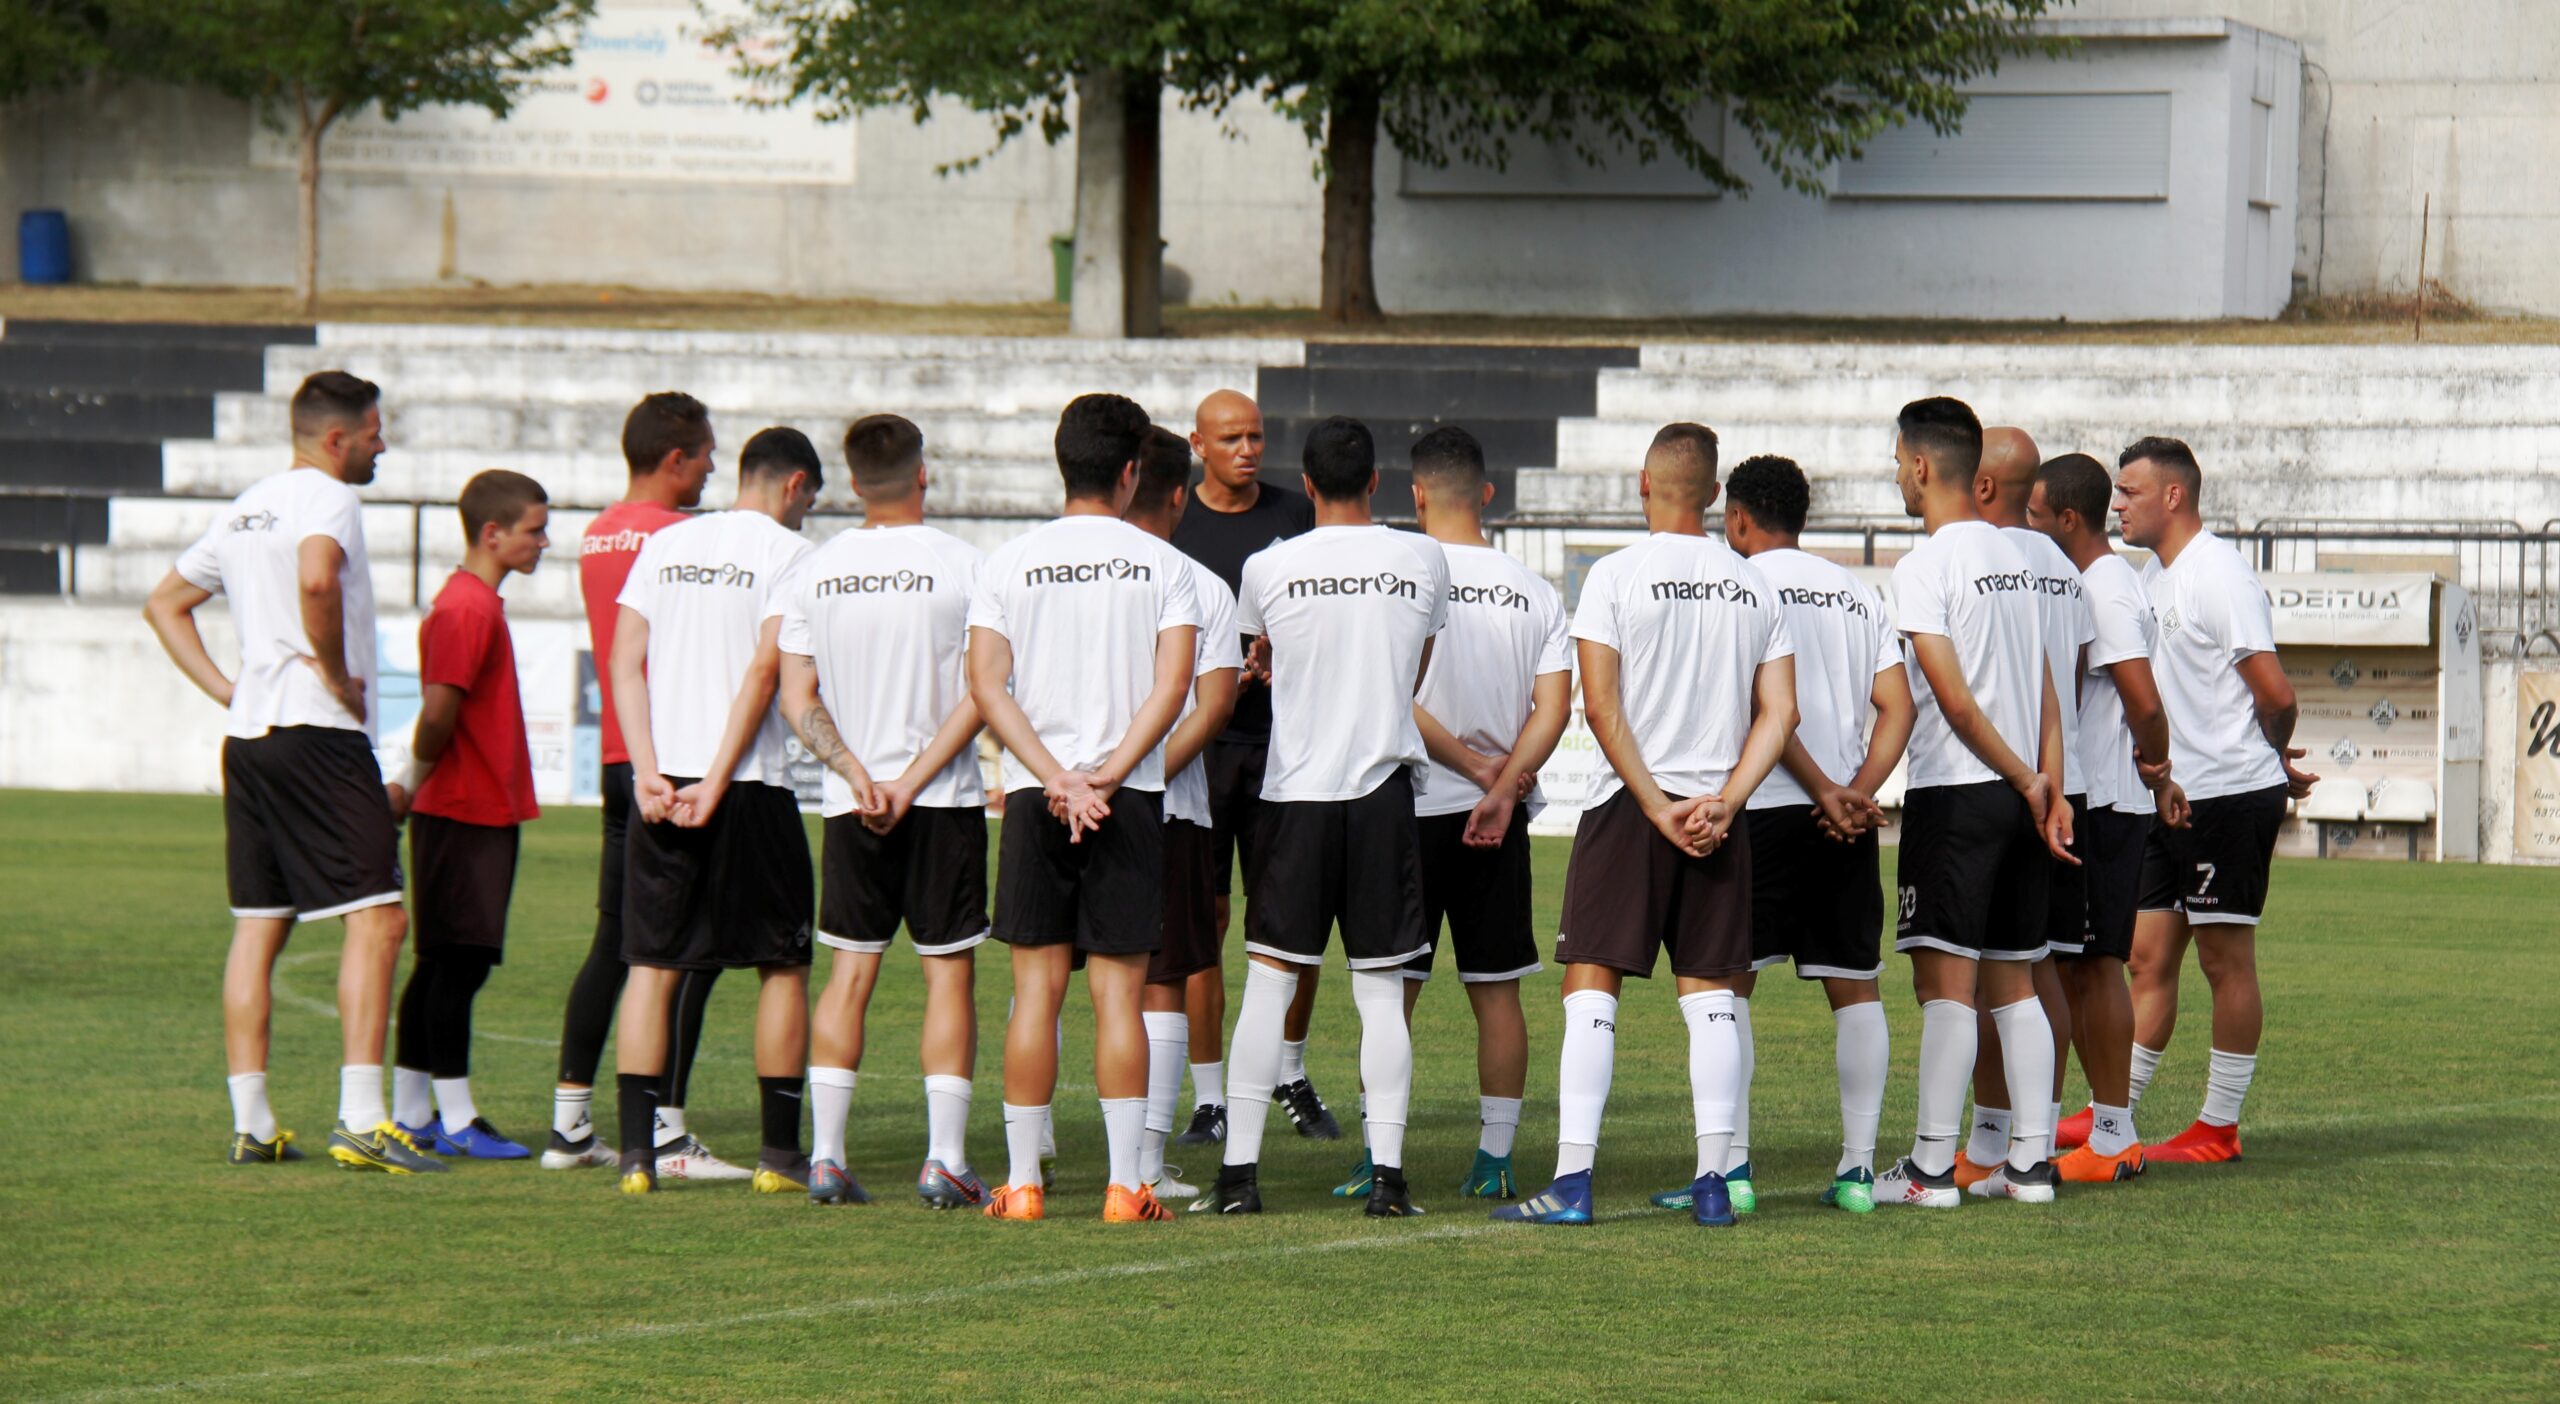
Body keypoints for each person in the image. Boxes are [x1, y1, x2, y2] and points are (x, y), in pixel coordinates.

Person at [1495, 423, 1795, 1229]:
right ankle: (1712, 1182)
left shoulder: (1615, 575)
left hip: (1634, 807)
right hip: (1716, 814)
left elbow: (1601, 706)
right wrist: (1727, 801)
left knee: (1591, 985)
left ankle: (1573, 1183)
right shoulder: (1754, 583)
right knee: (1712, 995)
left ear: (1642, 484)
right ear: (1715, 494)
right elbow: (1780, 714)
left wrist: (1657, 806)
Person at [143, 370, 439, 1172]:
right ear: (337, 439)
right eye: (374, 433)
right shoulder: (328, 498)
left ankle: (253, 1123)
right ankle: (362, 1118)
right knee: (379, 919)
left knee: (259, 923)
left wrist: (228, 691)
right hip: (316, 732)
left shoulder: (247, 506)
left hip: (251, 740)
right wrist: (337, 675)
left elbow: (164, 604)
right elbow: (316, 577)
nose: (383, 445)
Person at [1197, 415, 1450, 1219]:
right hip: (1381, 794)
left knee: (1269, 984)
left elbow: (1262, 655)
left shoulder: (1267, 566)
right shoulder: (1422, 557)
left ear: (1306, 485)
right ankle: (1389, 1181)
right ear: (1375, 481)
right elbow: (1414, 668)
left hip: (1296, 796)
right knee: (1380, 993)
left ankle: (1238, 1178)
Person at [967, 392, 1199, 1224]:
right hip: (1125, 799)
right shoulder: (1164, 565)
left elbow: (986, 683)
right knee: (1118, 998)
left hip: (1040, 795)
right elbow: (1173, 686)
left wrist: (1056, 778)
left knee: (1035, 994)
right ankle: (1125, 1185)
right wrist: (1106, 776)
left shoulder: (1008, 560)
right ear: (1132, 471)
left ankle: (1023, 1184)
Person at [1662, 452, 1912, 1217]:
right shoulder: (1855, 592)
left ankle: (1733, 1171)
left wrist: (1822, 788)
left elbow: (1766, 707)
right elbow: (1898, 706)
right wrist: (1854, 792)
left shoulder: (1738, 585)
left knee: (1727, 985)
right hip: (1844, 822)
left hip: (1761, 809)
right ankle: (1858, 1171)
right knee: (1855, 986)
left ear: (1737, 517)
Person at [1330, 425, 1567, 1205]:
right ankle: (1496, 1157)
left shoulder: (1400, 575)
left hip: (1410, 804)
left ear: (1416, 494)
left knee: (1392, 991)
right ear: (1487, 494)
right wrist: (1501, 786)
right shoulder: (1533, 589)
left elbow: (1391, 689)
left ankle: (1379, 1153)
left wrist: (1469, 768)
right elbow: (1554, 708)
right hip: (1497, 815)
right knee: (1496, 989)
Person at [775, 414, 991, 1208]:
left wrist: (858, 774)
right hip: (941, 799)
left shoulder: (814, 570)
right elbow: (984, 690)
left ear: (853, 480)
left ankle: (827, 1157)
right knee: (948, 976)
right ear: (922, 472)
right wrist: (910, 779)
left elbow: (797, 696)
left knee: (850, 973)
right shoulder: (965, 565)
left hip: (851, 801)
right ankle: (944, 1160)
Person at [608, 427, 823, 1196]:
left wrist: (646, 772)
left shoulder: (666, 545)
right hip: (749, 782)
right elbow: (765, 672)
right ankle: (779, 1156)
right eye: (809, 499)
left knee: (652, 966)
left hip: (665, 782)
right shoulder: (790, 554)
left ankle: (637, 1157)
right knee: (783, 966)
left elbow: (623, 660)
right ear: (795, 486)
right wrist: (720, 778)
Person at [1875, 397, 2075, 1209]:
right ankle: (2029, 1167)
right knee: (2014, 982)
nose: (1898, 475)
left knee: (1947, 989)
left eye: (1898, 462)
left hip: (1959, 795)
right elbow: (2048, 691)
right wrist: (2047, 787)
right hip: (2023, 796)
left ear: (1923, 466)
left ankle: (1929, 1172)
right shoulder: (2021, 559)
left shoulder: (1924, 565)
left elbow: (1954, 703)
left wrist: (2027, 780)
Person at [547, 392, 737, 1179]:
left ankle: (569, 1122)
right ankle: (664, 1127)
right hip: (673, 758)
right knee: (690, 949)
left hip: (619, 756)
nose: (713, 467)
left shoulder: (599, 532)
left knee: (615, 941)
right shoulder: (677, 538)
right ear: (675, 458)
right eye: (705, 454)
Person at [2115, 436, 2313, 1164]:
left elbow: (2276, 695)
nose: (2117, 505)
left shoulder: (2218, 573)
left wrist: (2269, 756)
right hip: (2173, 797)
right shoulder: (2153, 577)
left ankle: (2218, 1127)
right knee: (2145, 959)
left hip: (2227, 795)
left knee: (2224, 962)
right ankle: (2114, 1118)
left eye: (2130, 491)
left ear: (2174, 495)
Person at [1168, 388, 1336, 1146]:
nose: (1247, 450)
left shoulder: (1295, 515)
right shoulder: (1177, 523)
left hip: (1286, 747)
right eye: (1231, 438)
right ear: (1197, 444)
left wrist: (1279, 657)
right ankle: (1211, 1098)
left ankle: (1288, 1071)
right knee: (1203, 922)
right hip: (1202, 749)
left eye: (1257, 437)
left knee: (1292, 921)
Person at [2032, 452, 2191, 1183]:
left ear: (2068, 519)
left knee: (2096, 967)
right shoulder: (2084, 582)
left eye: (2035, 516)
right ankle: (2068, 1131)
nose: (2027, 527)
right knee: (2072, 967)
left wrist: (2157, 771)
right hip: (2093, 800)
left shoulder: (2106, 588)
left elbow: (2144, 701)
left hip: (2105, 804)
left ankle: (2113, 1135)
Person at [386, 470, 551, 1161]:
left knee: (446, 962)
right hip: (463, 809)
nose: (544, 542)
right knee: (457, 963)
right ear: (492, 533)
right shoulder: (466, 609)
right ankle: (454, 1117)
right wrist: (410, 781)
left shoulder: (472, 604)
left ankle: (412, 1111)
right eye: (534, 530)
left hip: (472, 807)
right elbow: (438, 710)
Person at [1953, 427, 2093, 1192]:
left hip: (1992, 781)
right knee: (2040, 968)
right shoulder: (2062, 567)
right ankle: (2034, 1143)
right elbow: (2068, 675)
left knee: (1978, 977)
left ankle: (1985, 1141)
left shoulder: (1977, 557)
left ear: (1981, 485)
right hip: (2060, 785)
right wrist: (2054, 781)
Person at [1123, 426, 1242, 1203]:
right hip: (1167, 807)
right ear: (1177, 494)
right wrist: (1139, 776)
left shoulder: (1038, 566)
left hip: (1054, 799)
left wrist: (1070, 780)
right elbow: (1213, 705)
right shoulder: (1198, 583)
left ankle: (1033, 1159)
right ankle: (1142, 1165)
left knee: (1043, 977)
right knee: (1161, 981)